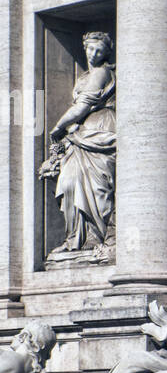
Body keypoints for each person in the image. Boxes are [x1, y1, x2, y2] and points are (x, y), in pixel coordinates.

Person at [39, 31, 116, 258]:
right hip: (80, 134)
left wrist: (58, 127)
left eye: (99, 50)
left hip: (99, 129)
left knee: (98, 187)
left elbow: (82, 106)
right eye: (90, 49)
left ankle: (96, 237)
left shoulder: (102, 73)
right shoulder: (84, 76)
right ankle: (77, 238)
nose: (93, 54)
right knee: (71, 182)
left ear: (106, 53)